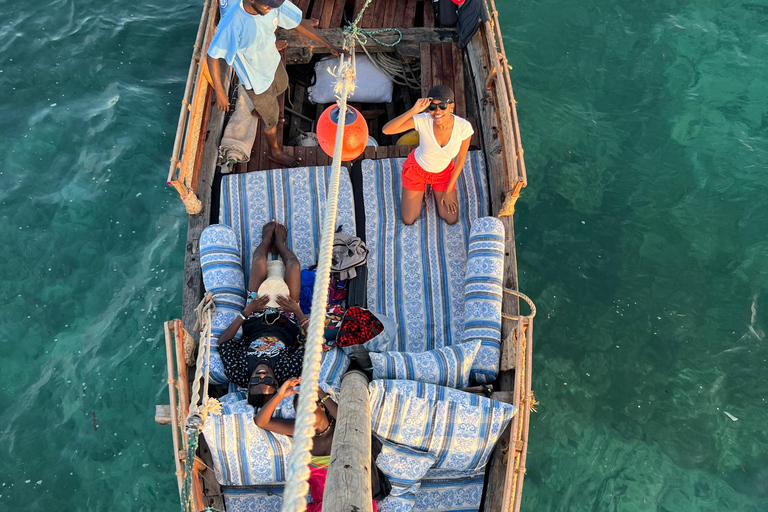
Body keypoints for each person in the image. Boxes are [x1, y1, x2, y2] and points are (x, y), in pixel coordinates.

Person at [206, 0, 343, 168]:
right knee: (271, 119)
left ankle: (260, 109)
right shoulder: (231, 23)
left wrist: (329, 45)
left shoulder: (271, 4)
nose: (271, 9)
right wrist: (220, 92)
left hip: (272, 61)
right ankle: (274, 151)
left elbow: (298, 22)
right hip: (256, 81)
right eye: (268, 6)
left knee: (282, 85)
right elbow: (212, 56)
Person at [218, 220, 308, 407]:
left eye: (255, 382)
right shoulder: (287, 372)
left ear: (248, 385)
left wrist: (247, 311)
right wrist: (297, 310)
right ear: (275, 384)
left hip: (255, 314)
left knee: (259, 260)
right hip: (287, 316)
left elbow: (223, 341)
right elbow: (313, 342)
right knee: (293, 265)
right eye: (267, 382)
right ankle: (281, 244)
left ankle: (266, 241)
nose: (261, 376)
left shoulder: (238, 373)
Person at [254, 378, 379, 512]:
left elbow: (347, 419)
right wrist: (279, 395)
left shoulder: (343, 427)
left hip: (353, 501)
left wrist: (319, 392)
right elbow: (261, 422)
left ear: (321, 406)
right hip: (322, 506)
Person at [381, 85, 474, 225]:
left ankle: (434, 189)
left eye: (442, 106)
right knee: (408, 219)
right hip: (417, 170)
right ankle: (419, 189)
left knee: (451, 218)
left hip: (443, 174)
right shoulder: (423, 120)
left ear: (451, 107)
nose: (437, 111)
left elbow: (460, 159)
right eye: (432, 107)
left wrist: (449, 188)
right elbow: (387, 130)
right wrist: (414, 110)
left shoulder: (463, 127)